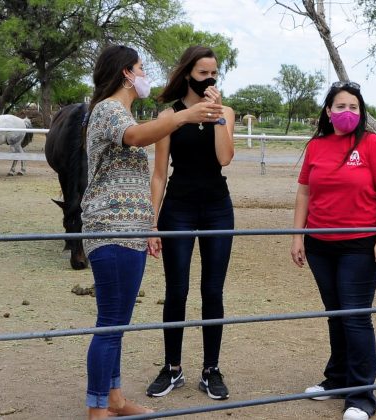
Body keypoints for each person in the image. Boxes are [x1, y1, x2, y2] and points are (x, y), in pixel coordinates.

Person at [81, 44, 221, 420]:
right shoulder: (109, 110)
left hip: (130, 230)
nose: (145, 75)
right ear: (126, 73)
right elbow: (138, 137)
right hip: (111, 228)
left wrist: (148, 224)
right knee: (110, 323)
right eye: (141, 68)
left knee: (117, 322)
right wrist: (185, 116)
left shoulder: (120, 111)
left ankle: (113, 399)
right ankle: (98, 408)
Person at [290, 81, 376, 420]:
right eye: (340, 106)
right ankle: (336, 380)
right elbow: (305, 194)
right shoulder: (317, 147)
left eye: (353, 107)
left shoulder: (373, 144)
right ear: (328, 111)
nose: (347, 112)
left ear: (361, 111)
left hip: (361, 246)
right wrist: (297, 237)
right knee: (336, 313)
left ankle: (362, 396)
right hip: (320, 245)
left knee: (354, 316)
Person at [145, 45, 236, 401]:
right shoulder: (171, 115)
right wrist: (153, 225)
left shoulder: (225, 112)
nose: (210, 79)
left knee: (212, 291)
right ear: (187, 75)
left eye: (214, 73)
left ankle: (211, 369)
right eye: (203, 73)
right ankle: (172, 368)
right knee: (176, 290)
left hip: (217, 207)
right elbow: (158, 175)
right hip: (178, 208)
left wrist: (215, 115)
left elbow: (224, 158)